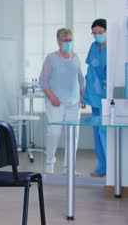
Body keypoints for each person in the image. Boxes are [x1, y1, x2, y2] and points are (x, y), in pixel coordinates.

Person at [39, 28, 85, 174]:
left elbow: (81, 80)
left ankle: (69, 167)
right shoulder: (51, 58)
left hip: (74, 103)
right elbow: (43, 81)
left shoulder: (76, 57)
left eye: (70, 40)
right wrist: (52, 97)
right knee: (54, 133)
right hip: (55, 103)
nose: (68, 43)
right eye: (65, 40)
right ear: (58, 41)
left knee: (73, 135)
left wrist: (83, 97)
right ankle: (49, 163)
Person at [83, 18, 107, 177]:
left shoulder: (114, 48)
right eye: (94, 33)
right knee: (97, 132)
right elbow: (90, 71)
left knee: (106, 131)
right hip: (94, 94)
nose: (97, 35)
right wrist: (86, 94)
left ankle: (112, 167)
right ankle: (102, 167)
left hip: (107, 95)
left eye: (100, 32)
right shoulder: (94, 46)